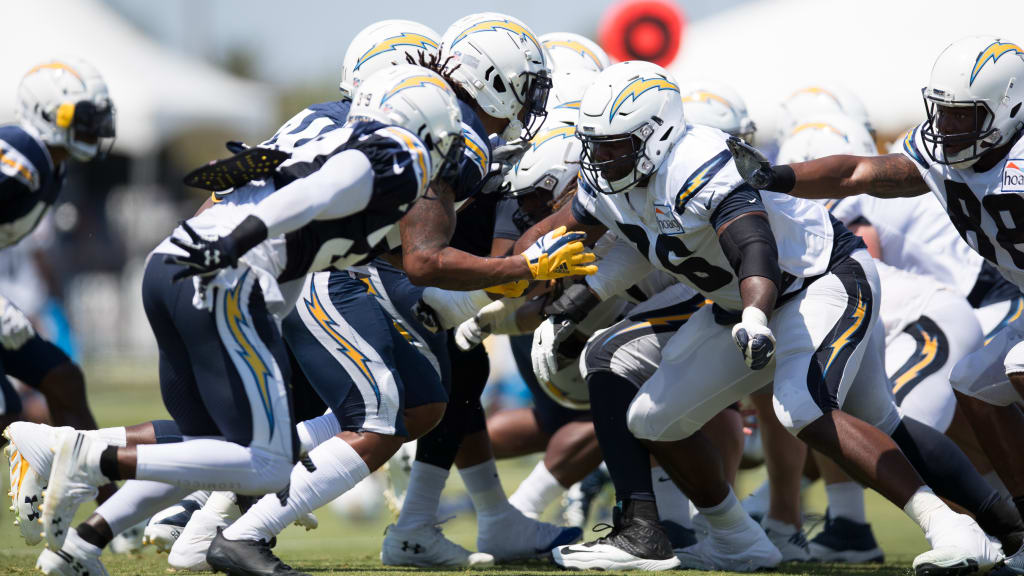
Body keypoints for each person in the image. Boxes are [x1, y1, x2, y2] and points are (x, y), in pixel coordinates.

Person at [515, 59, 1001, 574]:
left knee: (802, 408)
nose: (602, 159)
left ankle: (953, 526)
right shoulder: (613, 179)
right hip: (738, 303)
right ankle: (736, 539)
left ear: (656, 136)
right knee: (652, 419)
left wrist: (754, 313)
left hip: (819, 279)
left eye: (616, 145)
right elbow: (576, 241)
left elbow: (755, 248)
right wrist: (512, 277)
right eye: (596, 144)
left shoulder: (697, 163)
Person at [33, 64, 465, 576]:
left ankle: (81, 546)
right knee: (266, 461)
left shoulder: (326, 136)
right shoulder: (401, 153)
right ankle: (86, 455)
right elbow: (316, 194)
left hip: (175, 267)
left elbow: (299, 240)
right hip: (221, 277)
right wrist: (238, 243)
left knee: (215, 449)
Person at [728, 35, 1024, 572]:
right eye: (946, 114)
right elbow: (856, 173)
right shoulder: (944, 151)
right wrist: (779, 178)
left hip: (966, 303)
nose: (949, 129)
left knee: (1015, 367)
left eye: (966, 117)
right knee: (975, 383)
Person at [1, 58, 118, 545]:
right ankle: (36, 464)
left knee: (62, 379)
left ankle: (116, 515)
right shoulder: (22, 156)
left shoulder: (51, 165)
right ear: (49, 113)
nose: (96, 128)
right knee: (7, 411)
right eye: (83, 117)